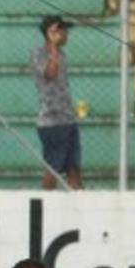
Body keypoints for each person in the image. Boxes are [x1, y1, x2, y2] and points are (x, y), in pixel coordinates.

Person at [32, 15, 82, 190]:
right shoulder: (39, 54)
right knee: (52, 170)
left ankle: (81, 207)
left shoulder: (62, 54)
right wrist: (52, 46)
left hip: (68, 119)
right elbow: (50, 73)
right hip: (52, 122)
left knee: (73, 169)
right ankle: (44, 206)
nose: (66, 34)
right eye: (62, 30)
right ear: (51, 32)